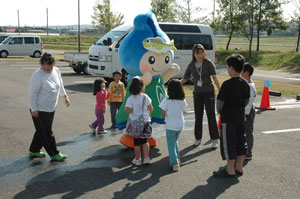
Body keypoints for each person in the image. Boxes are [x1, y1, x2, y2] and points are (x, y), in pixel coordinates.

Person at [29, 52, 70, 162]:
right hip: (40, 109)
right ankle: (54, 153)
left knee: (41, 130)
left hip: (51, 108)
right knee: (47, 132)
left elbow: (60, 84)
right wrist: (34, 109)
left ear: (54, 64)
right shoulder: (37, 75)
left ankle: (34, 150)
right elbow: (32, 94)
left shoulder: (56, 71)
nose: (46, 67)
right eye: (44, 64)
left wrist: (65, 97)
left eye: (49, 64)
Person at [213, 54, 250, 178]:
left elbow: (220, 104)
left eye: (228, 67)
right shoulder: (245, 84)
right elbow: (246, 101)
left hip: (228, 119)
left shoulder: (227, 84)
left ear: (232, 68)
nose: (228, 70)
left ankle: (230, 169)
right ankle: (239, 166)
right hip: (240, 117)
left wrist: (220, 112)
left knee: (229, 143)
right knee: (241, 141)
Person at [180, 44, 220, 149]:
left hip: (209, 92)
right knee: (198, 116)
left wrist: (220, 90)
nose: (200, 55)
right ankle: (198, 139)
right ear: (194, 53)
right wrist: (176, 84)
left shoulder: (208, 63)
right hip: (197, 93)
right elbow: (185, 78)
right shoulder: (191, 65)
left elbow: (215, 78)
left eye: (202, 53)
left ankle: (215, 139)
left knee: (211, 115)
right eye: (198, 53)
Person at [159, 79, 188, 172]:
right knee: (175, 142)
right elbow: (183, 109)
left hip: (171, 126)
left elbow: (162, 113)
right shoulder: (182, 100)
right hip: (180, 125)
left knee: (171, 145)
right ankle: (177, 157)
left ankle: (175, 163)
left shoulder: (166, 101)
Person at [125, 77, 153, 165]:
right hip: (145, 122)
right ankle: (146, 158)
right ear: (142, 87)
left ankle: (137, 159)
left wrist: (132, 110)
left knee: (136, 142)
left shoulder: (131, 99)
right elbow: (151, 108)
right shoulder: (146, 97)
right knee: (145, 141)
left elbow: (127, 111)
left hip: (135, 123)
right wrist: (147, 113)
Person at [241, 63, 256, 160]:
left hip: (248, 111)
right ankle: (245, 150)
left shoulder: (249, 86)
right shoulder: (249, 82)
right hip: (247, 110)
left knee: (248, 131)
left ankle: (248, 153)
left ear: (246, 73)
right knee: (245, 131)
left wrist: (245, 114)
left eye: (241, 71)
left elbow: (249, 102)